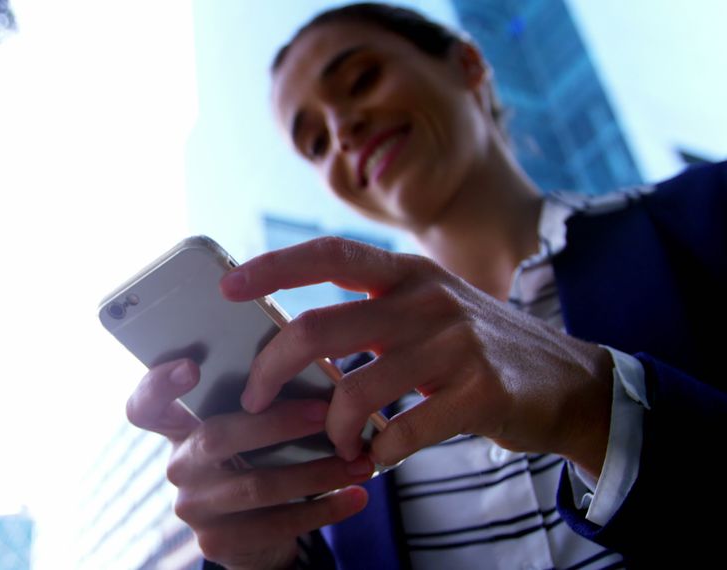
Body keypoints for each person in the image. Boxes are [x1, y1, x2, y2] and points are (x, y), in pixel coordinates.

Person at [125, 3, 727, 568]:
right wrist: (264, 559)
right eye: (314, 142)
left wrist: (593, 406)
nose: (341, 130)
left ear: (468, 65)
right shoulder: (340, 401)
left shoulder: (707, 214)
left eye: (361, 80)